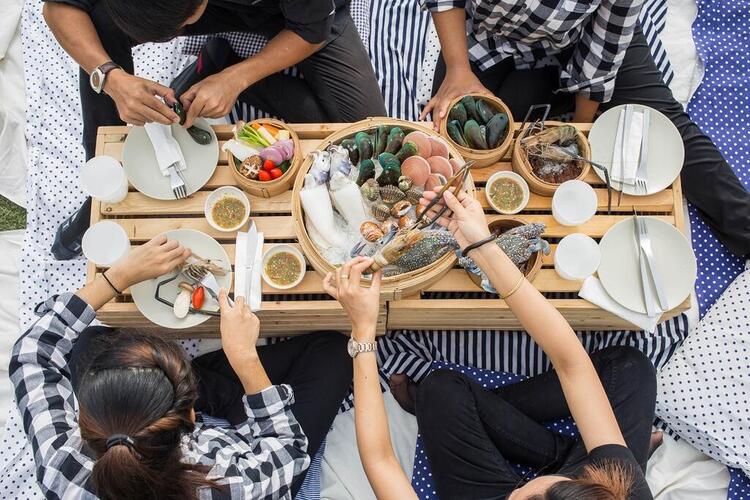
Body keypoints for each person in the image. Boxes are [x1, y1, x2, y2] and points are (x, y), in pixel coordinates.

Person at [326, 190, 656, 499]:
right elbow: (571, 363)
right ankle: (562, 452)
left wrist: (363, 331)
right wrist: (482, 246)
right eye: (566, 481)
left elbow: (381, 460)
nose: (525, 489)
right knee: (630, 368)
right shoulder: (619, 486)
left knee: (438, 391)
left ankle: (561, 450)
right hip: (599, 472)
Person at [10, 234, 352, 499]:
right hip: (254, 442)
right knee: (336, 351)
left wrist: (120, 276)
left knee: (87, 344)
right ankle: (229, 394)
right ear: (191, 418)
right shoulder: (232, 487)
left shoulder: (63, 469)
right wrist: (244, 358)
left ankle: (218, 389)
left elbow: (31, 352)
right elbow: (290, 453)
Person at [420, 0, 750, 257]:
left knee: (662, 123)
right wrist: (458, 69)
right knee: (457, 141)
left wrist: (577, 136)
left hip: (584, 37)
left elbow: (604, 47)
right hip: (488, 39)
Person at [42, 0, 387, 161]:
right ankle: (104, 166)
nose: (171, 41)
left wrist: (235, 78)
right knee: (100, 26)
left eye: (176, 32)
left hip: (300, 18)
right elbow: (58, 8)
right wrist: (111, 78)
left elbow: (311, 31)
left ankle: (224, 63)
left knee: (364, 134)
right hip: (214, 7)